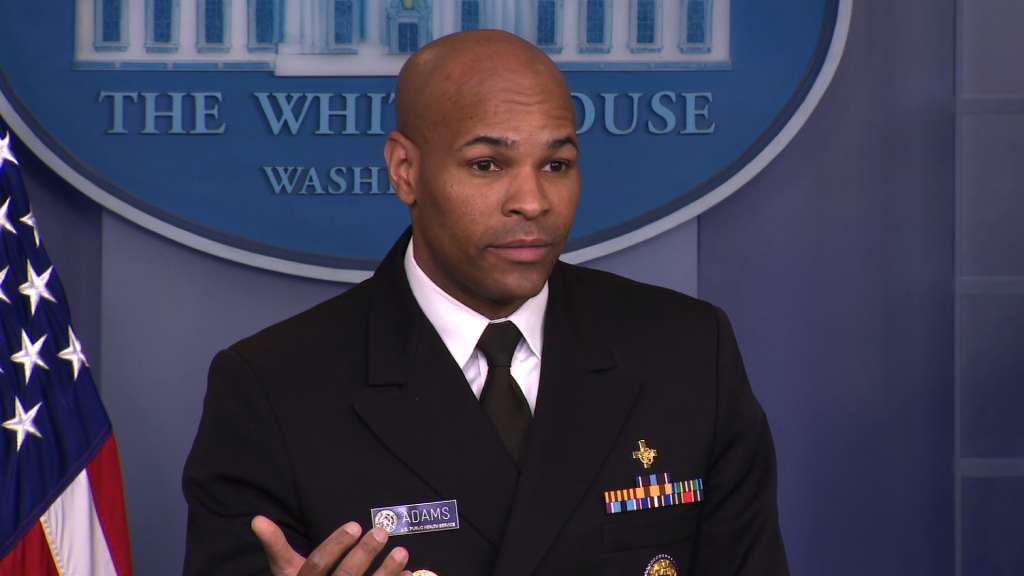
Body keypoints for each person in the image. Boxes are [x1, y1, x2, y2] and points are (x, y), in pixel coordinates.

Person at [183, 30, 789, 576]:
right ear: (405, 170)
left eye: (557, 164)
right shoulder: (272, 389)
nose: (533, 200)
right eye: (487, 164)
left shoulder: (687, 353)